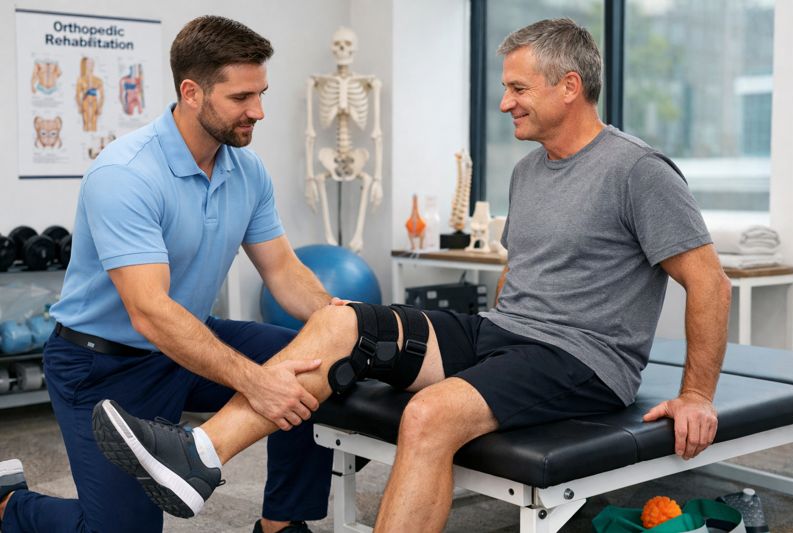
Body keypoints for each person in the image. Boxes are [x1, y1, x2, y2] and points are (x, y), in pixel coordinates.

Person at [91, 18, 729, 532]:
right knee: (339, 322)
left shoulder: (638, 171)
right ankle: (199, 455)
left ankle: (203, 457)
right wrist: (489, 343)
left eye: (518, 88)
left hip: (583, 359)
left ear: (569, 86)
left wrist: (697, 395)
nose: (504, 102)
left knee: (428, 415)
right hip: (504, 332)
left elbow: (708, 282)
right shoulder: (530, 169)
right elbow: (520, 273)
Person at [1, 16, 339, 533]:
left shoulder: (247, 170)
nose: (258, 111)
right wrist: (257, 382)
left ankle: (281, 525)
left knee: (313, 364)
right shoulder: (125, 173)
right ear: (192, 92)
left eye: (261, 93)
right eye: (242, 97)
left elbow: (283, 270)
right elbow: (150, 312)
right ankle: (11, 507)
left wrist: (340, 321)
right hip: (102, 365)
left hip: (188, 344)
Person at [75, 57, 104, 132]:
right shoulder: (81, 80)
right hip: (85, 103)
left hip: (94, 103)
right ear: (85, 65)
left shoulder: (98, 80)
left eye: (92, 63)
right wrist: (79, 106)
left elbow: (102, 96)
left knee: (94, 123)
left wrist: (100, 106)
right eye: (88, 63)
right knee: (86, 123)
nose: (91, 65)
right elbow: (77, 95)